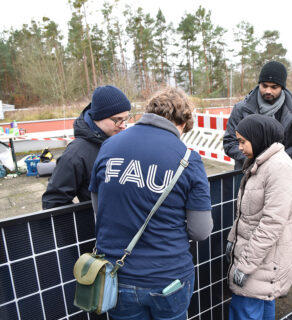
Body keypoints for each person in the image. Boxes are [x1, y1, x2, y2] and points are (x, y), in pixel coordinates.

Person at [89, 87, 213, 320]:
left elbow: (99, 208)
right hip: (168, 277)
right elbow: (200, 230)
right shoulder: (188, 159)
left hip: (117, 275)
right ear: (183, 122)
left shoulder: (109, 146)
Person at [225, 114, 292, 320]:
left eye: (242, 141)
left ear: (258, 137)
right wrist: (233, 239)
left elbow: (272, 222)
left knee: (245, 310)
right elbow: (247, 214)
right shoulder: (261, 162)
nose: (239, 147)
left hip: (262, 261)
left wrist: (245, 265)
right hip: (260, 258)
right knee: (262, 307)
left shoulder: (278, 168)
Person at [42, 85, 131, 209]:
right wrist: (86, 222)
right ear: (99, 117)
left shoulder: (121, 140)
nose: (123, 126)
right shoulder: (76, 153)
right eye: (118, 120)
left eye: (126, 119)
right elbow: (53, 202)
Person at [223, 60, 292, 169]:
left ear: (282, 87)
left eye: (274, 87)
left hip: (281, 171)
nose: (268, 91)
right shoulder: (241, 109)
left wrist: (280, 158)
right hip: (248, 172)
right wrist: (254, 159)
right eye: (264, 86)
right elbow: (229, 143)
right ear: (259, 83)